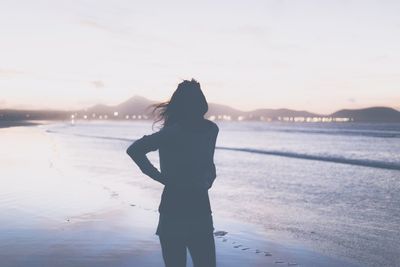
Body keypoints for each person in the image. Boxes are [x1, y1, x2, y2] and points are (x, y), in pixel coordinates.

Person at [126, 79, 219, 267]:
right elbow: (209, 166)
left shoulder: (177, 131)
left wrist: (159, 177)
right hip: (195, 206)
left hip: (176, 206)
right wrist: (208, 179)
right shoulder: (208, 130)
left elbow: (135, 150)